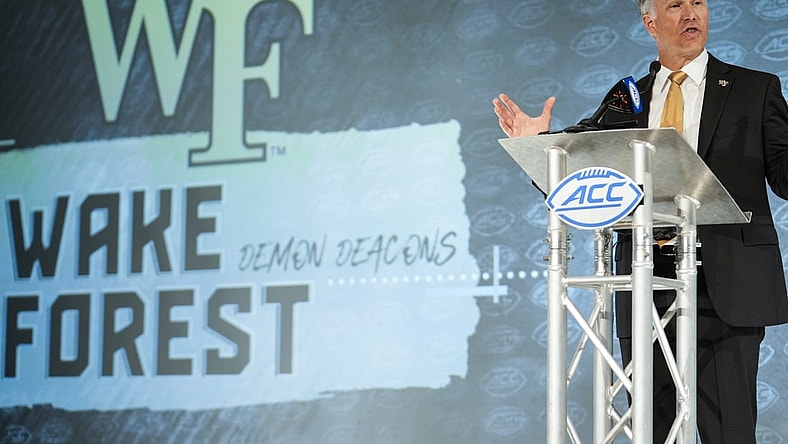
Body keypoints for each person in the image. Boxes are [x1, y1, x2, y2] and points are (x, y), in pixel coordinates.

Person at [493, 0, 788, 442]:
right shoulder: (628, 97)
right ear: (650, 22)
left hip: (724, 280)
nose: (692, 13)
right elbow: (581, 170)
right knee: (652, 428)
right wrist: (540, 146)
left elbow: (784, 175)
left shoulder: (754, 89)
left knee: (727, 430)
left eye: (699, 3)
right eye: (676, 5)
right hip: (642, 280)